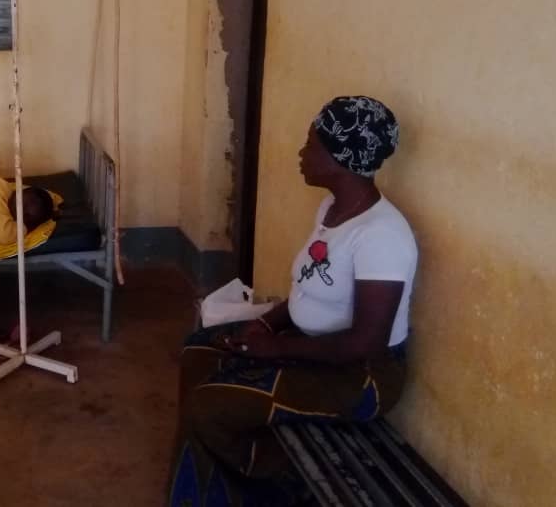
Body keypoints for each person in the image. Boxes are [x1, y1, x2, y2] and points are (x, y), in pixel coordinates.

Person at [169, 96, 417, 505]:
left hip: (358, 375)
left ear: (341, 159)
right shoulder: (332, 208)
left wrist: (275, 347)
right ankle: (204, 489)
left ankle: (266, 490)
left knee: (209, 406)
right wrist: (267, 323)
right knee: (199, 350)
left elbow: (367, 343)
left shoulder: (382, 236)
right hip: (307, 344)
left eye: (311, 145)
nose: (301, 153)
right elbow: (308, 286)